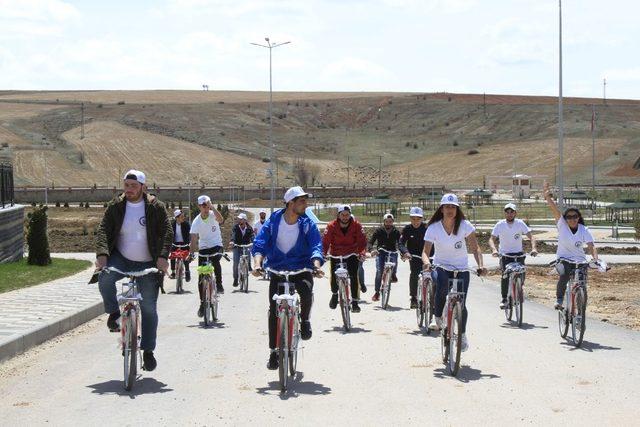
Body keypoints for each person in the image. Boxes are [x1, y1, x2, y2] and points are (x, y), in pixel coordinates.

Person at [95, 169, 172, 372]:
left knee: (148, 308)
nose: (129, 190)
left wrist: (163, 257)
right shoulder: (116, 206)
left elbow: (167, 232)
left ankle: (148, 352)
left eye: (133, 186)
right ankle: (114, 314)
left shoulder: (156, 207)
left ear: (143, 187)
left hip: (148, 262)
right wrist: (102, 253)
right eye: (126, 185)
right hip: (121, 258)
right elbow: (103, 229)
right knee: (104, 278)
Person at [252, 186, 324, 370]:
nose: (305, 204)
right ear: (290, 203)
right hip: (277, 269)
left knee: (306, 291)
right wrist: (257, 264)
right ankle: (274, 352)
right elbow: (260, 243)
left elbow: (316, 244)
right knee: (274, 310)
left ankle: (305, 320)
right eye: (302, 201)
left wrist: (316, 266)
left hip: (301, 268)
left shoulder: (307, 223)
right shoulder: (273, 221)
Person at [421, 194, 485, 352]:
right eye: (447, 207)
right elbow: (425, 251)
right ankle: (438, 318)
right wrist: (427, 263)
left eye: (453, 207)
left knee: (461, 303)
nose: (450, 210)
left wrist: (481, 265)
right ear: (441, 209)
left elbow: (475, 248)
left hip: (461, 268)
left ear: (457, 209)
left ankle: (462, 335)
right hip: (442, 265)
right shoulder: (434, 227)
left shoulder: (465, 225)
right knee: (441, 285)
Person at [543, 182, 599, 309]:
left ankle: (580, 310)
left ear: (578, 218)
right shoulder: (562, 225)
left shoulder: (584, 229)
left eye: (575, 216)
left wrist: (596, 259)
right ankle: (559, 299)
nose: (572, 219)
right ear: (565, 218)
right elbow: (555, 209)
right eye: (569, 217)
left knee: (582, 283)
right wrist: (547, 197)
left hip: (580, 260)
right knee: (564, 275)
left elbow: (591, 246)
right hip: (563, 259)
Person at [489, 203, 538, 309]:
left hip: (518, 254)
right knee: (505, 276)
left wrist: (534, 248)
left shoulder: (520, 223)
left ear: (515, 213)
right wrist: (494, 250)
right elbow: (491, 239)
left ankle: (519, 288)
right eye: (507, 212)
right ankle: (504, 299)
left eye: (512, 212)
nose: (509, 214)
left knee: (522, 273)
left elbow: (531, 237)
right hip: (505, 255)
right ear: (505, 213)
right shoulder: (500, 224)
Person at [322, 205, 367, 313]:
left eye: (347, 215)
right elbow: (325, 242)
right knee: (333, 276)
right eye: (343, 215)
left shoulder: (356, 225)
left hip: (351, 253)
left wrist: (362, 253)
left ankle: (355, 301)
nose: (345, 217)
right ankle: (334, 294)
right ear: (339, 215)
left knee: (353, 275)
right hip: (335, 254)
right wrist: (322, 254)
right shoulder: (331, 226)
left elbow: (362, 241)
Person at [190, 195, 226, 318]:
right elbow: (194, 238)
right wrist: (191, 252)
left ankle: (219, 284)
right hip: (204, 248)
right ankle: (202, 303)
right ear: (199, 207)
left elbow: (221, 220)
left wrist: (212, 207)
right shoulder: (196, 221)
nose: (205, 208)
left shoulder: (213, 215)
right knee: (201, 276)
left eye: (207, 205)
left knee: (215, 260)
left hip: (216, 245)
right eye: (203, 205)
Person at [399, 207, 432, 309]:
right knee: (414, 274)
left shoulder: (427, 228)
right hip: (414, 256)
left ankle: (432, 298)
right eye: (413, 219)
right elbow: (401, 243)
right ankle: (413, 297)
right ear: (410, 218)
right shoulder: (407, 229)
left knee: (433, 276)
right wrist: (406, 252)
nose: (416, 221)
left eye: (418, 219)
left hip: (429, 255)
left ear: (422, 219)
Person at [368, 213, 401, 302]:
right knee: (379, 272)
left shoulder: (396, 232)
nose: (388, 223)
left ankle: (393, 274)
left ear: (393, 222)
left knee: (395, 258)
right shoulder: (378, 231)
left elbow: (400, 243)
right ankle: (377, 292)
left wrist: (404, 252)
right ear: (384, 222)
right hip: (381, 251)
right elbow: (370, 242)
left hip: (392, 251)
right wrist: (372, 250)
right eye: (386, 222)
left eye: (390, 222)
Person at [230, 212, 254, 287]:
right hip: (237, 246)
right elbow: (233, 235)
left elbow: (252, 237)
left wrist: (253, 242)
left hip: (246, 246)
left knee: (248, 253)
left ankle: (248, 266)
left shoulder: (249, 228)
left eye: (241, 219)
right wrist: (232, 242)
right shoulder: (235, 227)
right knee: (235, 263)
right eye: (239, 219)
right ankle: (235, 279)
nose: (239, 220)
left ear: (245, 220)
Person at [170, 209, 192, 282]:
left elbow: (190, 234)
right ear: (177, 218)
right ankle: (173, 272)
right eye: (181, 217)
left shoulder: (186, 224)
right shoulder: (172, 225)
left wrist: (189, 242)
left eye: (183, 216)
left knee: (185, 258)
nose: (183, 218)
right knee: (172, 257)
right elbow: (169, 234)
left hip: (184, 243)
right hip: (175, 243)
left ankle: (187, 272)